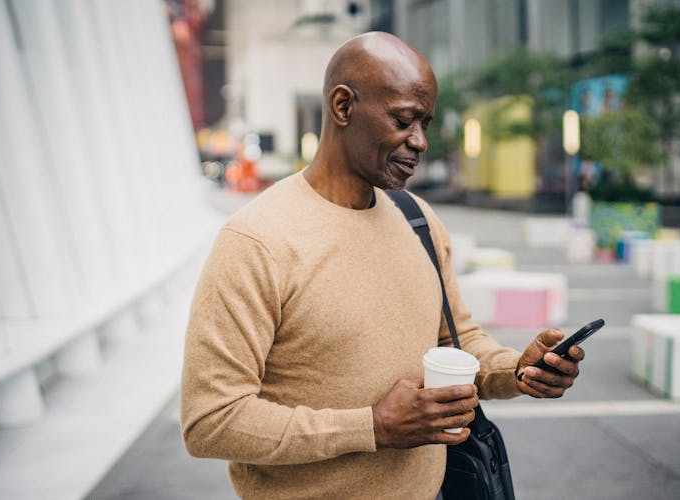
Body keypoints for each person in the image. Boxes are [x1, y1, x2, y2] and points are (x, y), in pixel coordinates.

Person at [181, 31, 585, 499]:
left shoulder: (417, 220)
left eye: (425, 124)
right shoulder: (257, 242)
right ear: (343, 107)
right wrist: (372, 426)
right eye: (403, 120)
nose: (420, 142)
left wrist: (518, 370)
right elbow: (211, 420)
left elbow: (455, 341)